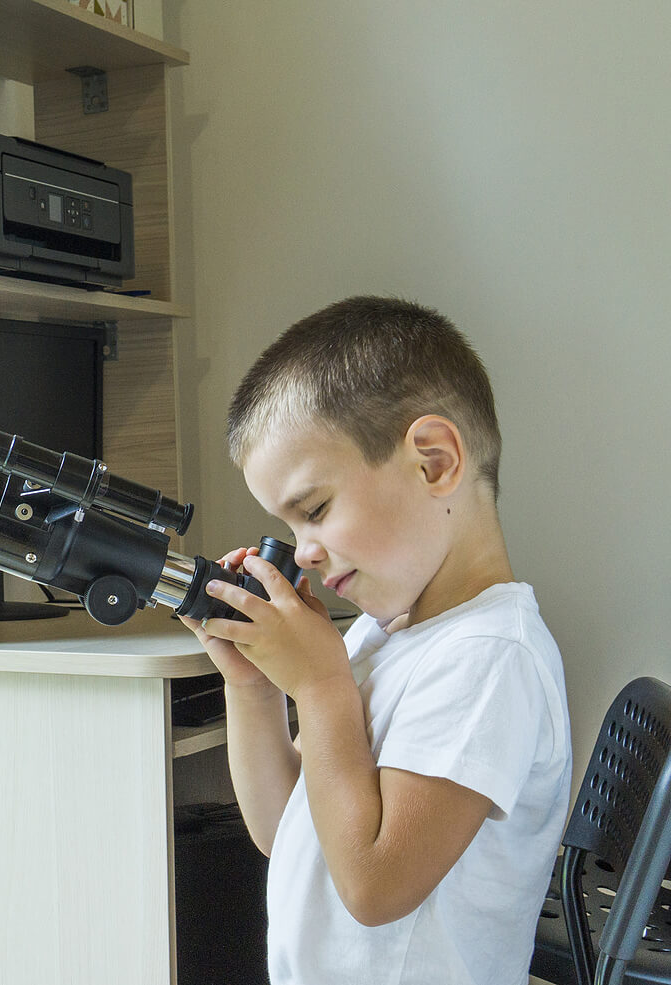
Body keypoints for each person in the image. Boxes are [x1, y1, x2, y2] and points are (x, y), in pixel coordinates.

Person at [179, 296, 571, 985]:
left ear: (433, 461)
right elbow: (288, 831)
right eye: (290, 526)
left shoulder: (489, 657)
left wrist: (324, 689)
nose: (303, 553)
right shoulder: (384, 633)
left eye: (316, 510)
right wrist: (255, 688)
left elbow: (375, 888)